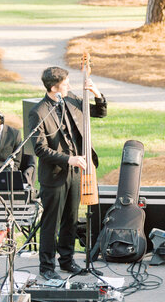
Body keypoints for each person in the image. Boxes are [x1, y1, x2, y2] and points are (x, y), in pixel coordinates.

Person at [28, 66, 107, 280]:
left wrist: (97, 94)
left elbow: (99, 113)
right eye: (65, 84)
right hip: (54, 175)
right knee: (51, 223)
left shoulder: (71, 99)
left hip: (76, 172)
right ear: (54, 88)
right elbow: (40, 148)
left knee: (71, 220)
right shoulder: (39, 111)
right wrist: (68, 159)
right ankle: (46, 266)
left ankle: (67, 260)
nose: (70, 86)